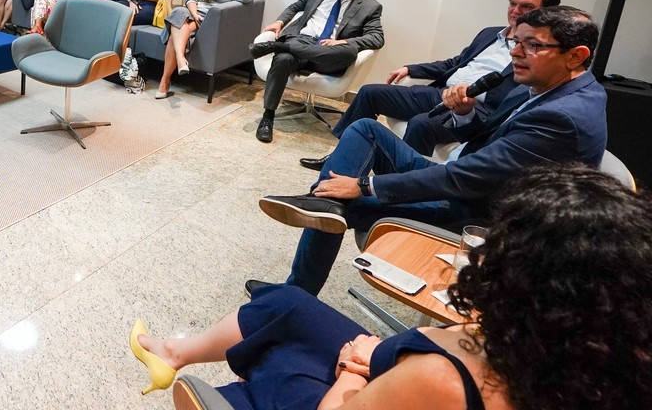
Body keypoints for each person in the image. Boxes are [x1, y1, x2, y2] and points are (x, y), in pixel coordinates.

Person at [130, 165, 651, 410]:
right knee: (290, 303)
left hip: (362, 392)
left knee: (271, 356)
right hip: (398, 370)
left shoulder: (444, 381)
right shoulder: (593, 354)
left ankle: (235, 384)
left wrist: (354, 373)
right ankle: (175, 352)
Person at [258, 5, 607, 295]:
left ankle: (295, 292)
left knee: (343, 201)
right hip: (466, 180)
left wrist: (365, 186)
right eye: (517, 41)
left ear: (575, 56)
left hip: (475, 213)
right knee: (365, 129)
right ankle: (324, 207)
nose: (515, 52)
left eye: (531, 45)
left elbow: (466, 178)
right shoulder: (550, 88)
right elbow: (487, 134)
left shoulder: (562, 116)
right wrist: (465, 112)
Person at [301, 0, 561, 165]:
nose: (515, 12)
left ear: (547, 11)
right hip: (442, 93)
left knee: (420, 124)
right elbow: (456, 62)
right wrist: (411, 68)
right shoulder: (491, 33)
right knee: (370, 92)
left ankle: (399, 183)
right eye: (512, 4)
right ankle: (340, 158)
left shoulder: (542, 50)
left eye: (526, 7)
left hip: (478, 108)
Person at [248, 0, 384, 143]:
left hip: (328, 55)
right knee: (283, 59)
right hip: (302, 41)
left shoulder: (370, 6)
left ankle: (280, 46)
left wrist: (342, 42)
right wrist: (280, 21)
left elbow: (377, 38)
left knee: (350, 51)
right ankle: (268, 117)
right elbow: (297, 6)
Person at [156, 0, 254, 99]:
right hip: (193, 12)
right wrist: (194, 13)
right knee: (179, 12)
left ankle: (165, 81)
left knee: (174, 33)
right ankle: (181, 59)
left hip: (211, 21)